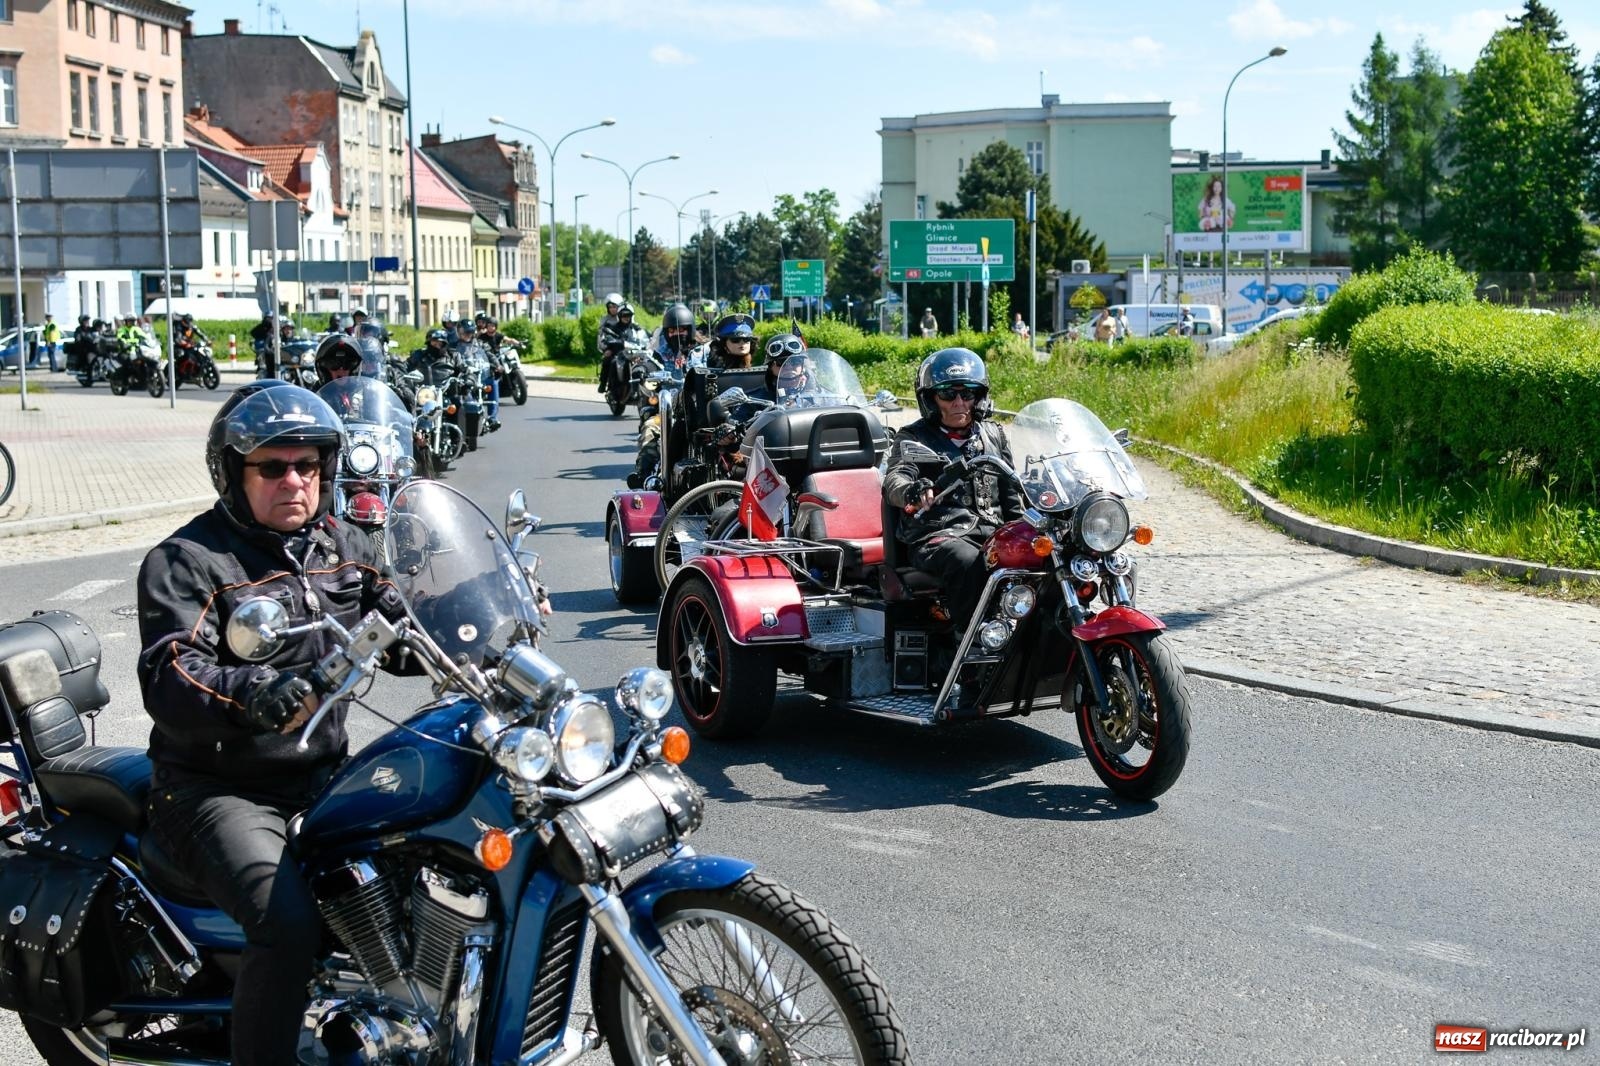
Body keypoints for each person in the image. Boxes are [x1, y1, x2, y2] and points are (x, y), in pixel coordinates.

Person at [136, 382, 414, 1066]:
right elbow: (169, 670)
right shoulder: (189, 561)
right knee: (287, 923)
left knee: (427, 856)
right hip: (217, 787)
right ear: (233, 474)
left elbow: (402, 621)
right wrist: (255, 690)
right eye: (273, 466)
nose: (294, 480)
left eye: (308, 466)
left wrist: (476, 622)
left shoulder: (344, 544)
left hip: (321, 773)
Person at [881, 348, 1025, 641]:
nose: (960, 402)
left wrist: (1027, 528)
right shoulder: (913, 437)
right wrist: (911, 490)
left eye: (968, 393)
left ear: (979, 397)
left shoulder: (993, 434)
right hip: (939, 536)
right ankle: (974, 647)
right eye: (948, 394)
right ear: (932, 399)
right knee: (967, 559)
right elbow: (895, 478)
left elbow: (1012, 493)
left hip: (992, 531)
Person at [452, 316, 499, 433]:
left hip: (481, 375)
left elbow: (490, 355)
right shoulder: (453, 346)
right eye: (464, 332)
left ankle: (493, 418)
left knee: (493, 383)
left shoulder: (481, 344)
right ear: (459, 332)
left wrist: (497, 365)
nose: (467, 335)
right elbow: (448, 359)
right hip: (464, 377)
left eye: (470, 332)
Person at [597, 302, 648, 393]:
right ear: (619, 316)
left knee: (647, 364)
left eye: (628, 315)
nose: (626, 317)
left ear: (631, 316)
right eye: (623, 315)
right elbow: (606, 337)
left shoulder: (636, 328)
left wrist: (650, 339)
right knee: (611, 361)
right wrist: (610, 343)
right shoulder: (613, 328)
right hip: (618, 353)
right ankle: (604, 384)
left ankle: (645, 389)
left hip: (634, 354)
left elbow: (645, 338)